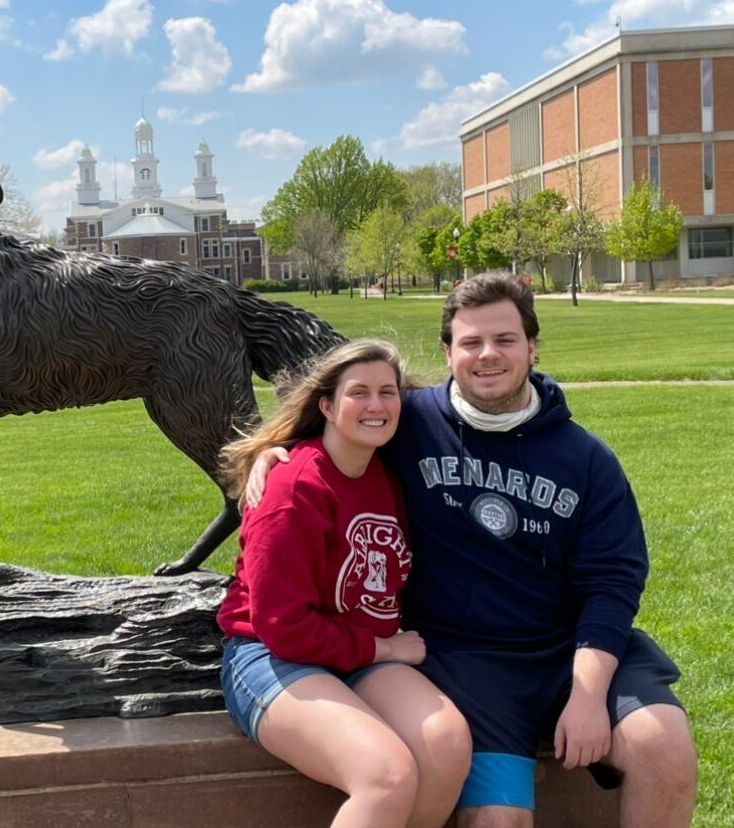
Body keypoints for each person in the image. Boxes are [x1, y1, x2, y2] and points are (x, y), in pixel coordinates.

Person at [249, 273, 696, 828]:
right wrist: (275, 454)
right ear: (448, 352)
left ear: (533, 347)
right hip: (469, 665)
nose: (488, 355)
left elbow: (612, 584)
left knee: (665, 747)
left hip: (572, 653)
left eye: (506, 340)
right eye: (471, 342)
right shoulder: (410, 423)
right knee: (497, 821)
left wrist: (587, 695)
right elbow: (339, 432)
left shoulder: (587, 460)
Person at [220, 339, 471, 828]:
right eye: (359, 393)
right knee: (385, 774)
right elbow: (282, 626)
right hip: (271, 654)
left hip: (357, 651)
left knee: (446, 742)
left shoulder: (391, 470)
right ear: (328, 407)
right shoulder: (294, 489)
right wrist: (383, 650)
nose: (376, 405)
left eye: (387, 392)